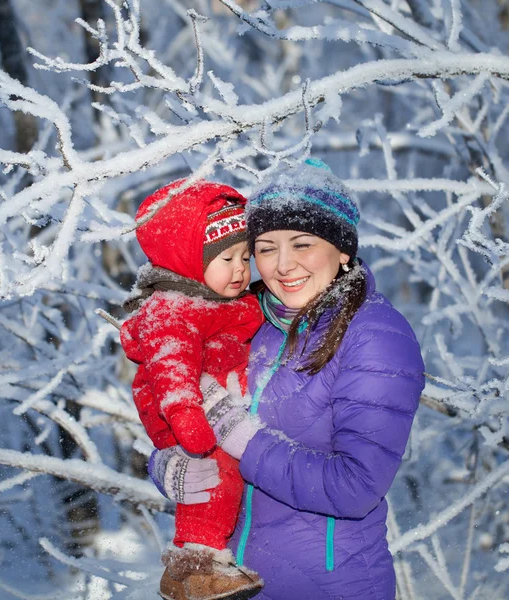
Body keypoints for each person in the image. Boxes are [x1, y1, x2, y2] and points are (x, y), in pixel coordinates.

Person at [150, 159, 425, 599]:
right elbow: (187, 411)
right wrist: (167, 464)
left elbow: (355, 487)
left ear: (343, 250)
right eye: (265, 247)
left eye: (302, 245)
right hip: (229, 585)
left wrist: (242, 437)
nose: (282, 265)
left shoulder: (375, 337)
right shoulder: (243, 320)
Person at [120, 179, 265, 600]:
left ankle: (186, 571)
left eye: (245, 256)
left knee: (217, 480)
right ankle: (198, 564)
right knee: (215, 482)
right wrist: (186, 415)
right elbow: (170, 365)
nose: (241, 269)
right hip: (190, 418)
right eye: (226, 258)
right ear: (187, 260)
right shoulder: (175, 307)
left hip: (212, 410)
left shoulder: (218, 298)